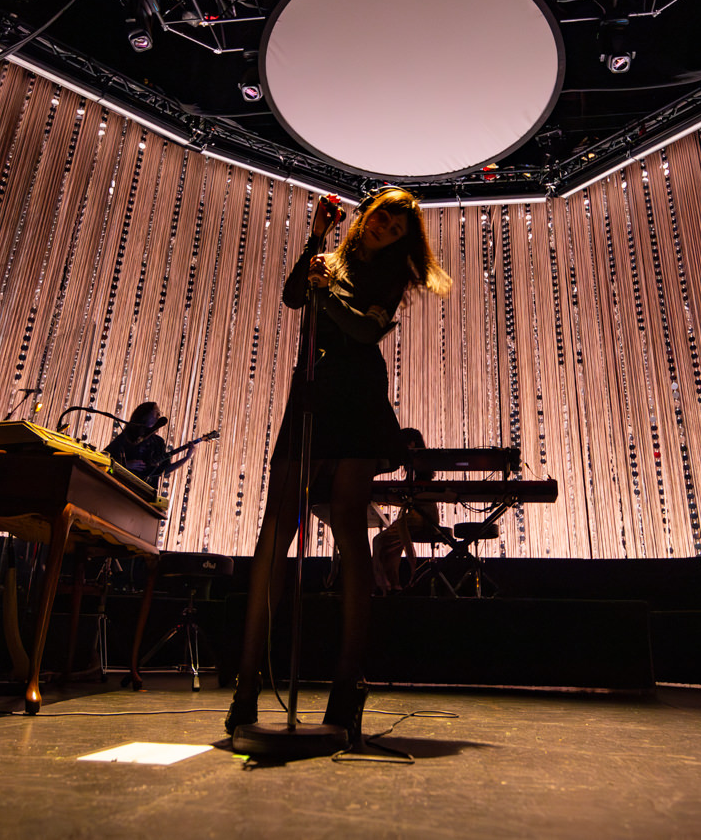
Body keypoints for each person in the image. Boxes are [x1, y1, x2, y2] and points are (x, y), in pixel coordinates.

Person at [225, 188, 450, 745]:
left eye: (398, 229)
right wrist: (315, 239)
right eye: (383, 218)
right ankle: (246, 685)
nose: (386, 229)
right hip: (311, 393)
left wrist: (326, 297)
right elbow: (291, 297)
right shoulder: (330, 258)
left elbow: (365, 332)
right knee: (274, 531)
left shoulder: (390, 277)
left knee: (348, 525)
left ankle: (347, 687)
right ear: (367, 214)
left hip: (355, 398)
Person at [371, 427, 443, 593]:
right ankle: (392, 584)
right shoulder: (418, 468)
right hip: (423, 514)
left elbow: (415, 497)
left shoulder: (417, 467)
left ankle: (387, 584)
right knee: (389, 543)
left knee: (379, 541)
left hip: (422, 516)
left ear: (410, 444)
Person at [104, 400, 193, 488]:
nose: (158, 416)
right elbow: (105, 458)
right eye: (156, 413)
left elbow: (164, 469)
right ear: (144, 416)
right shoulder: (128, 436)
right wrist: (126, 465)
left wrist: (186, 458)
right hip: (121, 486)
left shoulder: (158, 442)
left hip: (144, 492)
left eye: (159, 414)